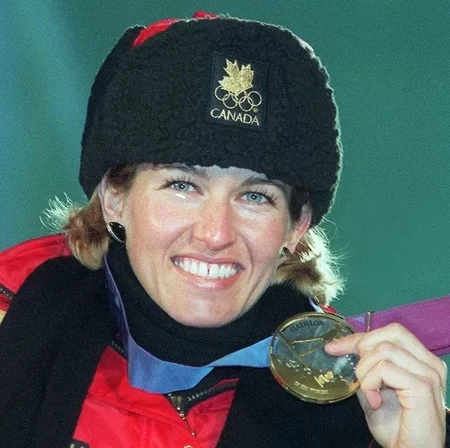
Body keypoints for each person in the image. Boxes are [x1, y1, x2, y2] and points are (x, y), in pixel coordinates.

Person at [0, 10, 447, 448]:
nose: (215, 234)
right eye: (182, 186)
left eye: (256, 197)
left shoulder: (370, 404)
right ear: (114, 198)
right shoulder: (14, 326)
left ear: (297, 226)